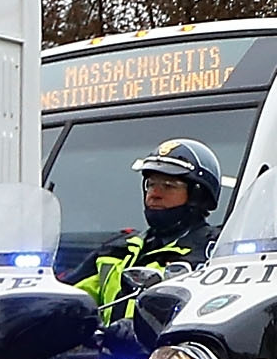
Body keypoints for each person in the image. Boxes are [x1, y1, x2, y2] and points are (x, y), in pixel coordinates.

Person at [75, 137, 224, 325]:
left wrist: (139, 329)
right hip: (106, 344)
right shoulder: (118, 251)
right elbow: (71, 297)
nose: (154, 194)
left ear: (197, 195)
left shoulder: (214, 253)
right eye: (151, 184)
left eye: (168, 186)